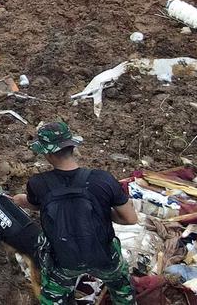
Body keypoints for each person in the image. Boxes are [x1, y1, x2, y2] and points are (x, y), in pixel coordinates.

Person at [12, 122, 138, 305]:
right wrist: (103, 212)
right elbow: (130, 218)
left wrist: (20, 200)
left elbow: (35, 205)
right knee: (121, 288)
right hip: (103, 257)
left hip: (63, 260)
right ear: (72, 146)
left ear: (47, 153)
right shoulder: (103, 180)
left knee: (52, 295)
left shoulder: (38, 184)